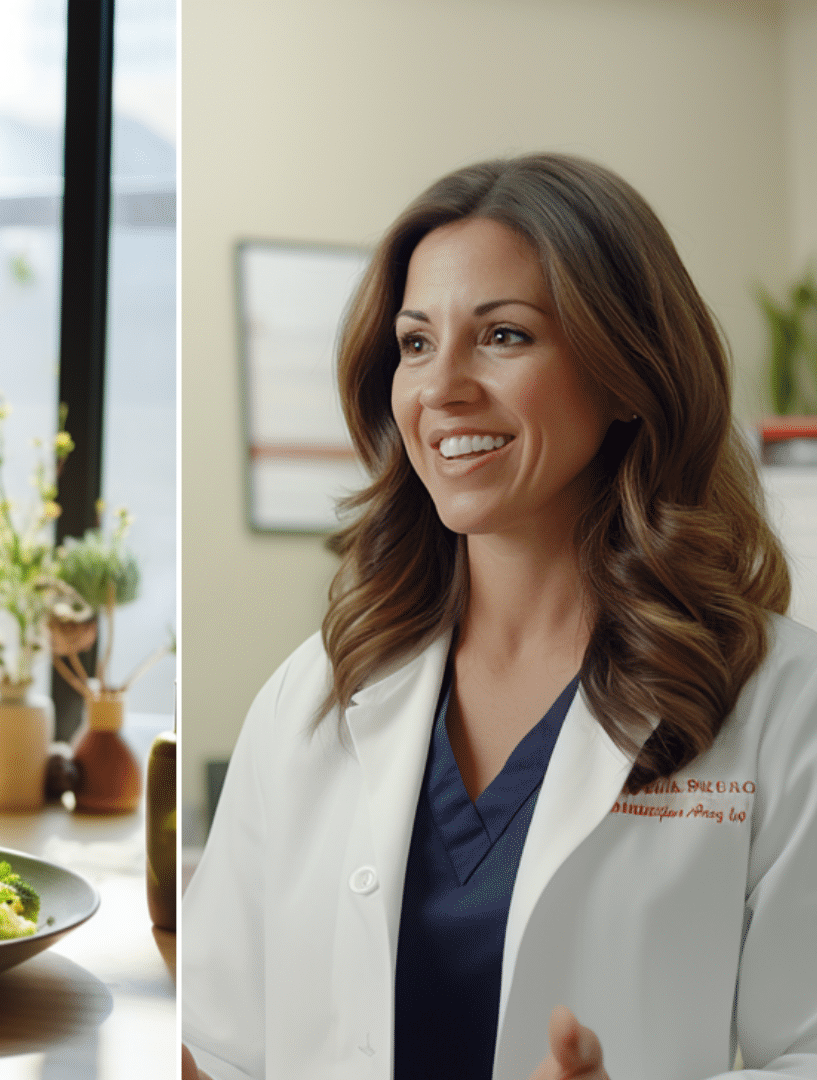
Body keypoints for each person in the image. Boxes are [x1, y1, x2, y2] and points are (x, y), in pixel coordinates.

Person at [182, 153, 817, 1079]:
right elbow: (217, 1039)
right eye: (415, 343)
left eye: (505, 336)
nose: (442, 388)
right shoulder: (318, 691)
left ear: (630, 375)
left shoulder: (779, 701)